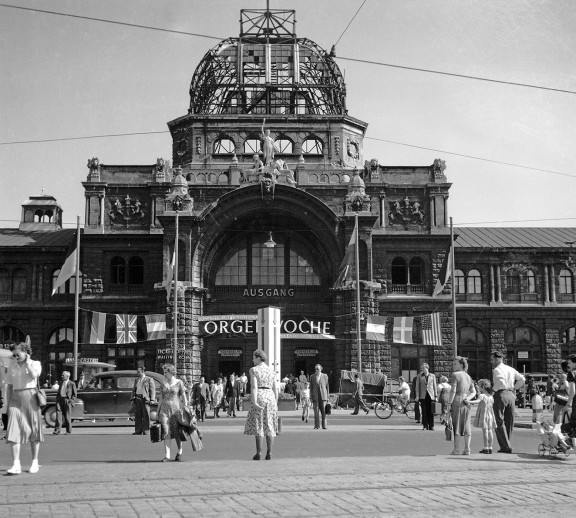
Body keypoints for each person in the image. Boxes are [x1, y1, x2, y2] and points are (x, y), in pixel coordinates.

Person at [5, 337, 43, 475]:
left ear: (26, 353)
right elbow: (9, 386)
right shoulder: (11, 366)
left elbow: (34, 376)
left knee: (34, 430)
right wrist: (8, 405)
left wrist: (27, 363)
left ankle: (34, 462)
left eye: (18, 354)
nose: (15, 357)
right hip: (15, 399)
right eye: (13, 355)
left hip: (31, 398)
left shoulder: (35, 363)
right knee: (13, 431)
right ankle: (16, 464)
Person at [244, 349, 278, 460]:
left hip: (260, 395)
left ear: (258, 358)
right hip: (270, 396)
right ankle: (270, 452)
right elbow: (275, 388)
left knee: (259, 425)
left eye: (254, 357)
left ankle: (258, 452)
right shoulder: (271, 370)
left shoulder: (254, 370)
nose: (252, 360)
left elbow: (254, 387)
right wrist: (275, 401)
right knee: (270, 425)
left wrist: (254, 401)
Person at [491, 350, 525, 454]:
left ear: (497, 359)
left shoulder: (497, 369)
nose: (491, 361)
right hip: (510, 394)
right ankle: (507, 444)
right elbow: (522, 379)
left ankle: (505, 446)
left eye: (492, 359)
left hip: (501, 394)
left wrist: (493, 391)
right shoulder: (511, 369)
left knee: (499, 421)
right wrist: (514, 388)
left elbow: (500, 381)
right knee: (509, 421)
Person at [157, 363, 188, 462]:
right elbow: (161, 398)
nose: (164, 374)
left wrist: (186, 408)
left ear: (171, 372)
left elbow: (184, 397)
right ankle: (167, 455)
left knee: (177, 433)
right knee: (166, 431)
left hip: (175, 411)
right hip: (164, 410)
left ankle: (180, 451)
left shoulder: (179, 382)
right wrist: (158, 411)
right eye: (164, 372)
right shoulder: (163, 382)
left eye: (166, 372)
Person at [448, 356, 476, 455]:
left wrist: (449, 403)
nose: (453, 366)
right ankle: (467, 449)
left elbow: (453, 390)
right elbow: (473, 392)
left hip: (457, 400)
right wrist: (467, 398)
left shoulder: (455, 375)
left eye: (455, 364)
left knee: (457, 424)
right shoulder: (468, 376)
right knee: (466, 424)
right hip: (466, 402)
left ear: (461, 365)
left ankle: (456, 449)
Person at [467, 379, 496, 454]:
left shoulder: (482, 395)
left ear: (483, 387)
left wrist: (469, 401)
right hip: (490, 414)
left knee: (485, 431)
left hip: (484, 414)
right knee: (490, 431)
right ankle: (490, 447)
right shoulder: (491, 396)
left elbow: (477, 401)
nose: (478, 388)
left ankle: (485, 447)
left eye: (479, 386)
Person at [130, 364, 156, 435]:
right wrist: (132, 399)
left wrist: (152, 399)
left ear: (143, 371)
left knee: (146, 415)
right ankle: (138, 430)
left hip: (145, 399)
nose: (137, 373)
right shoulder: (137, 380)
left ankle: (146, 430)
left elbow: (152, 390)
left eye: (139, 371)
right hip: (138, 398)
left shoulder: (149, 379)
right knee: (138, 415)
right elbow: (134, 390)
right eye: (137, 371)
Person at [415, 363, 438, 431]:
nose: (422, 369)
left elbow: (434, 386)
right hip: (423, 396)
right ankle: (425, 425)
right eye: (422, 368)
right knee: (424, 411)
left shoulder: (432, 376)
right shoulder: (419, 376)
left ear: (427, 368)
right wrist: (417, 396)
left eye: (423, 368)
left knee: (431, 411)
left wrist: (436, 396)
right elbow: (417, 387)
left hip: (431, 396)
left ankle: (431, 426)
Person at [54, 370, 77, 435]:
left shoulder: (72, 384)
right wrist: (57, 399)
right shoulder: (61, 382)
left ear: (67, 376)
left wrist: (71, 401)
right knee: (58, 415)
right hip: (60, 400)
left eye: (63, 375)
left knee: (67, 416)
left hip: (67, 400)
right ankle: (57, 430)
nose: (62, 376)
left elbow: (74, 394)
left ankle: (68, 431)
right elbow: (59, 391)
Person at [310, 364, 329, 430]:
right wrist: (311, 397)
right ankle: (316, 425)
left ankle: (324, 425)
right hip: (315, 397)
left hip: (323, 396)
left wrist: (328, 397)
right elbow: (311, 388)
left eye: (317, 369)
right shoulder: (312, 376)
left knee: (323, 411)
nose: (316, 370)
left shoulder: (325, 376)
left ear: (321, 369)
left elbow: (327, 387)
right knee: (316, 412)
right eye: (315, 369)